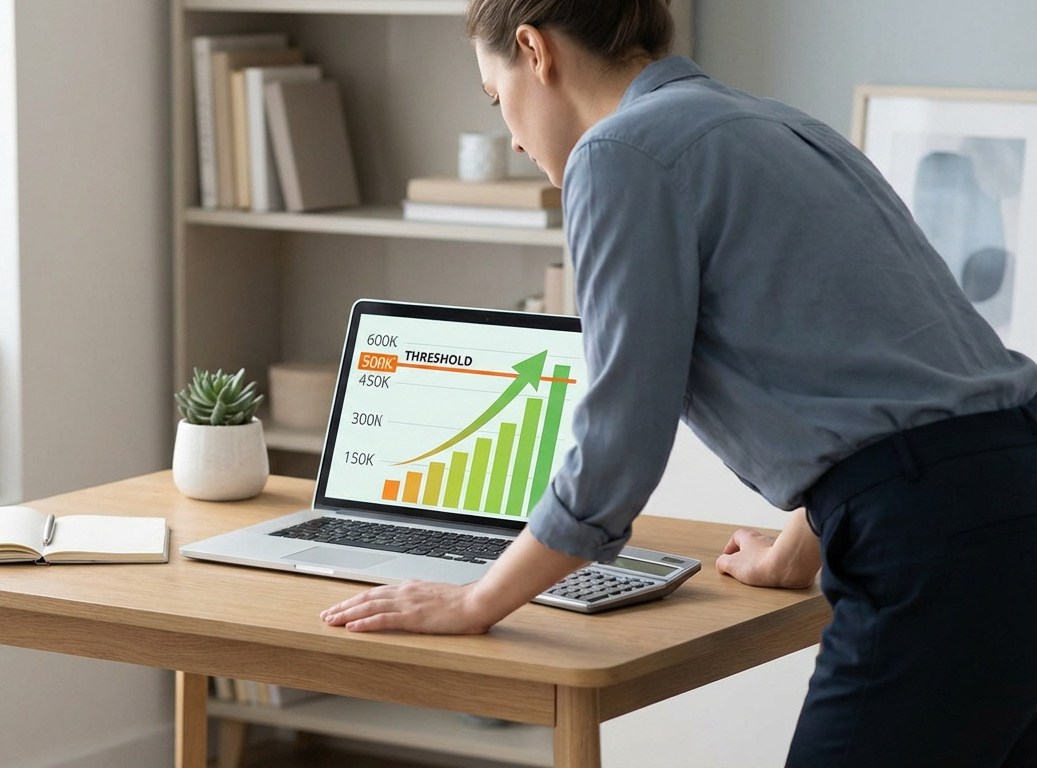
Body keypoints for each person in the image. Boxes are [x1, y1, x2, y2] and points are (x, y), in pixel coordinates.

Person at [319, 1, 1037, 765]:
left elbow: (618, 447)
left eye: (499, 103)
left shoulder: (618, 152)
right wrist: (796, 552)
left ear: (535, 50)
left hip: (929, 544)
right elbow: (893, 379)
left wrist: (476, 599)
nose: (518, 140)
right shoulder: (786, 128)